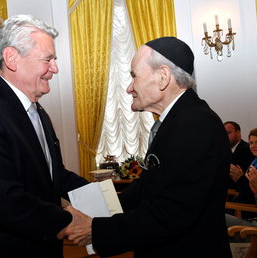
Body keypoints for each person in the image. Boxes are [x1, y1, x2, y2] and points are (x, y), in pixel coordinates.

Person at [59, 37, 232, 257]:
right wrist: (98, 208)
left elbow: (172, 214)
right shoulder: (179, 121)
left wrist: (96, 230)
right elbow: (146, 190)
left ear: (163, 77)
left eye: (134, 76)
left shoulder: (194, 125)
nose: (130, 88)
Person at [0, 15, 89, 257]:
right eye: (48, 59)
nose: (55, 68)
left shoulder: (38, 111)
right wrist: (69, 221)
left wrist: (106, 199)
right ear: (12, 58)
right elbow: (5, 200)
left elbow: (55, 175)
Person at [224, 121, 255, 191]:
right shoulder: (224, 150)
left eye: (228, 133)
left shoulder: (248, 150)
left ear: (238, 133)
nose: (225, 136)